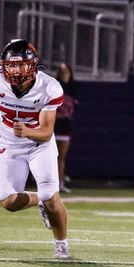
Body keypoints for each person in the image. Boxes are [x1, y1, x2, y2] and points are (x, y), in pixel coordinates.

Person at [0, 39, 70, 259]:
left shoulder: (49, 87)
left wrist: (28, 132)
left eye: (21, 64)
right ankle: (37, 200)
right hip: (9, 145)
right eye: (11, 65)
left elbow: (47, 132)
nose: (16, 70)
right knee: (8, 202)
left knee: (51, 195)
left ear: (33, 65)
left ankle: (61, 245)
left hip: (38, 145)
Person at [54, 63, 77, 194]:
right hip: (53, 127)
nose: (65, 75)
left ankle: (60, 183)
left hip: (66, 126)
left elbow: (74, 109)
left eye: (67, 72)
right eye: (62, 73)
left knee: (61, 157)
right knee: (51, 156)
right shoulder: (55, 88)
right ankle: (50, 184)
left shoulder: (72, 89)